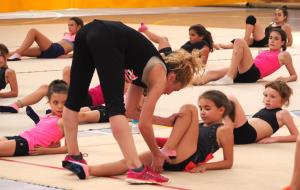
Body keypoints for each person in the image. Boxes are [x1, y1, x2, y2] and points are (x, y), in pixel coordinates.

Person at [62, 19, 201, 184]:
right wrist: (156, 154)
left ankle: (74, 156)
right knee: (115, 107)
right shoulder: (160, 74)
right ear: (171, 77)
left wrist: (163, 120)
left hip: (87, 31)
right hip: (107, 36)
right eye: (174, 89)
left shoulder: (144, 68)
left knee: (74, 100)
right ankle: (136, 169)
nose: (169, 93)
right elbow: (143, 124)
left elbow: (131, 111)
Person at [64, 90, 234, 182]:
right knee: (130, 162)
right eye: (202, 108)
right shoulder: (199, 125)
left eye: (207, 108)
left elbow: (228, 162)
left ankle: (166, 151)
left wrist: (205, 166)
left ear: (221, 110)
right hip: (174, 155)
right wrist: (158, 144)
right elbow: (181, 139)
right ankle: (88, 170)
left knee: (189, 108)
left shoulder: (223, 129)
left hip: (188, 158)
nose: (203, 112)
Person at [192, 28, 297, 85]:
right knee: (210, 74)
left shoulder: (284, 55)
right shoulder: (263, 51)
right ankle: (185, 81)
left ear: (283, 42)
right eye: (270, 38)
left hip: (253, 73)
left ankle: (229, 77)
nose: (272, 41)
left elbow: (294, 75)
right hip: (242, 71)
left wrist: (285, 79)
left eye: (276, 39)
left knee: (240, 41)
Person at [230, 81, 298, 144]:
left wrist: (274, 139)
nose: (267, 99)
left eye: (272, 97)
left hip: (247, 133)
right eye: (265, 95)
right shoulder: (263, 110)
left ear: (284, 100)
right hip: (239, 131)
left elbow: (296, 136)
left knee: (231, 99)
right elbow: (264, 128)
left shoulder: (283, 113)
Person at [215, 6, 292, 49]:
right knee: (239, 42)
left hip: (265, 42)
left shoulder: (285, 26)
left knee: (251, 18)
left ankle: (245, 41)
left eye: (279, 15)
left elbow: (290, 42)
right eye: (275, 14)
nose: (276, 16)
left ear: (284, 17)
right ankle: (220, 45)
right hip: (261, 39)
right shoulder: (271, 23)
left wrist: (276, 45)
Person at [8, 17, 84, 61]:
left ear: (79, 26)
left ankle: (17, 54)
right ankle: (4, 57)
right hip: (50, 51)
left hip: (54, 49)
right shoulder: (68, 34)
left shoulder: (79, 37)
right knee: (21, 51)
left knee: (33, 31)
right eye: (68, 25)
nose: (69, 27)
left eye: (72, 25)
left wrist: (68, 56)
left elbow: (80, 52)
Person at [138, 23, 213, 65]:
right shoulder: (195, 42)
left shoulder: (204, 48)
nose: (190, 37)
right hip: (172, 55)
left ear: (201, 37)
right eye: (189, 35)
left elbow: (202, 64)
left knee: (153, 56)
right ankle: (144, 30)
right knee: (163, 38)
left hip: (174, 60)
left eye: (193, 35)